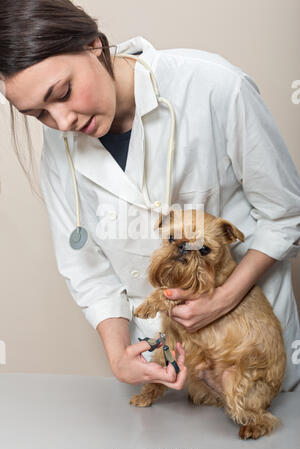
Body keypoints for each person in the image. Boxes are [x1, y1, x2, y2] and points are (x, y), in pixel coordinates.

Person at [1, 0, 300, 392]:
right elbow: (86, 268)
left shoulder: (214, 86)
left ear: (95, 46)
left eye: (63, 92)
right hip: (167, 364)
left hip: (248, 353)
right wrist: (118, 354)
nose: (62, 122)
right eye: (38, 114)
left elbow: (286, 215)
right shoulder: (59, 147)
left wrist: (223, 298)